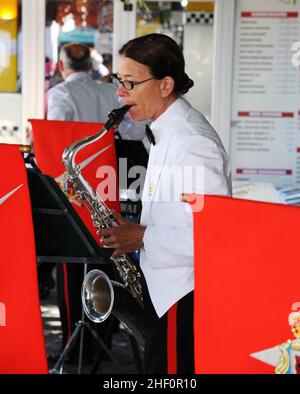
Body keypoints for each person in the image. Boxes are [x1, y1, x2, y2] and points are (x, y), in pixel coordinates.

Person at [98, 33, 232, 374]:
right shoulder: (163, 130)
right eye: (118, 81)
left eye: (129, 82)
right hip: (164, 289)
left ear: (165, 85)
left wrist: (141, 237)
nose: (119, 92)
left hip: (181, 295)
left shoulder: (194, 143)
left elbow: (212, 237)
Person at [47, 42, 145, 140]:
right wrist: (116, 140)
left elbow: (55, 134)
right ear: (89, 65)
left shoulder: (60, 93)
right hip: (108, 153)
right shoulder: (113, 90)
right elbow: (138, 126)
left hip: (76, 153)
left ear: (60, 65)